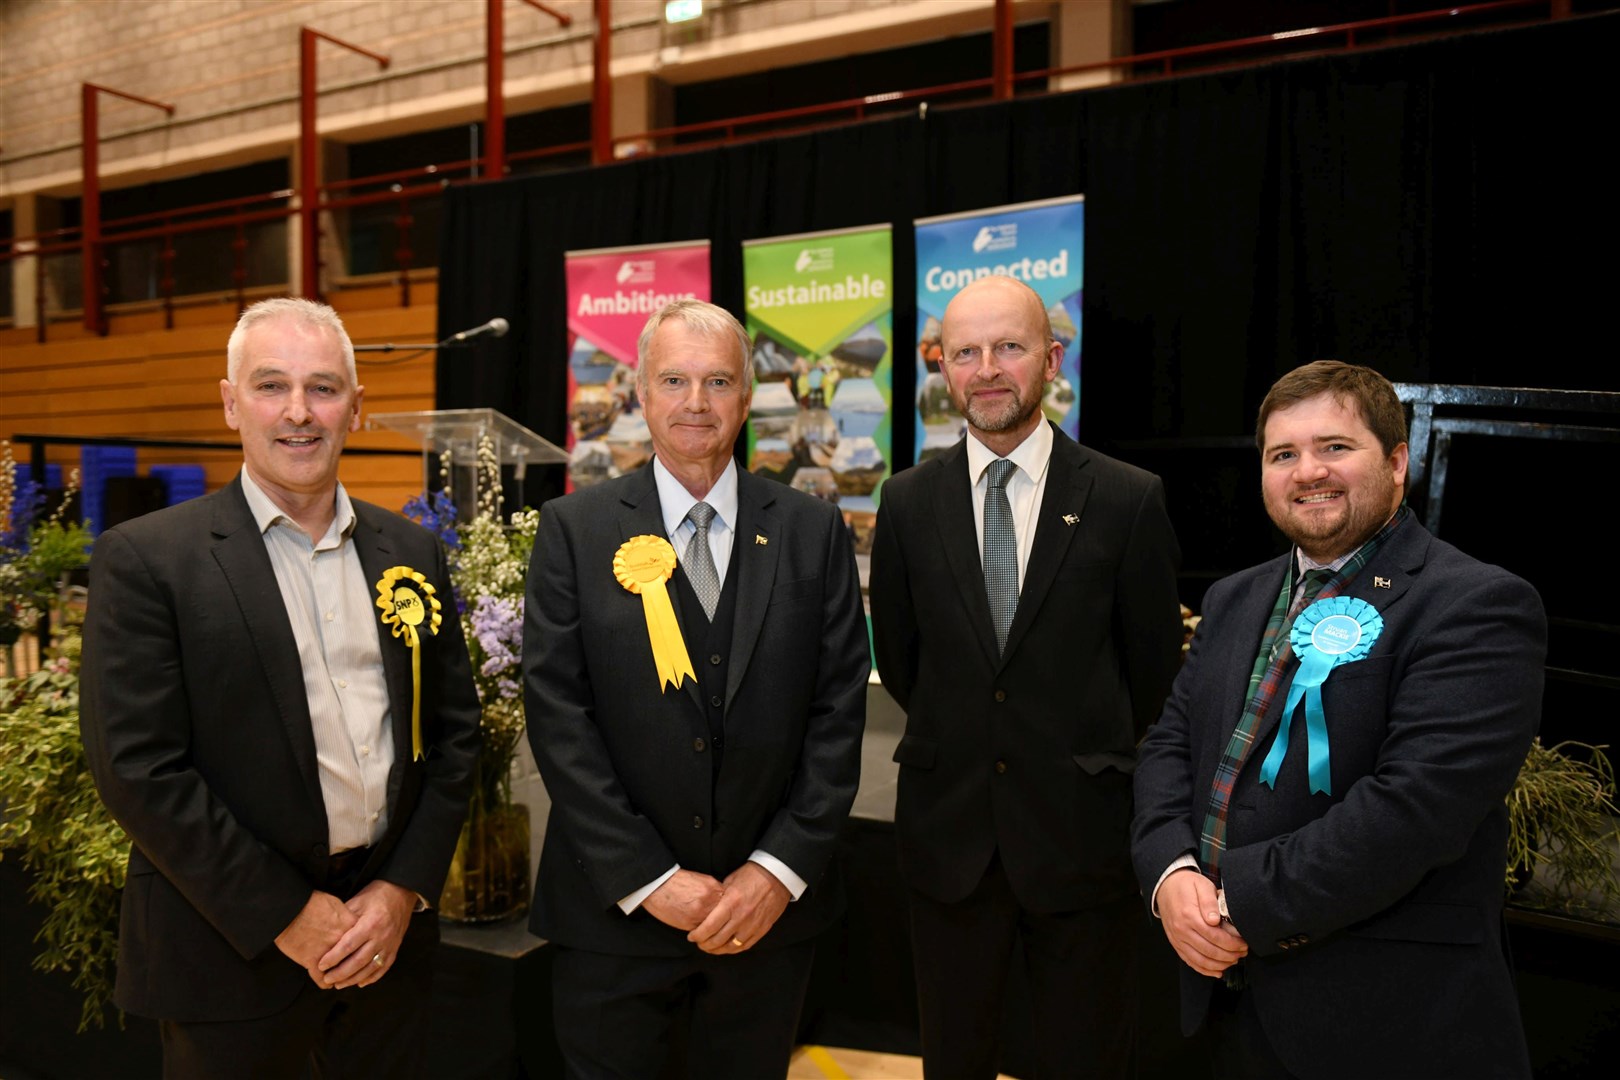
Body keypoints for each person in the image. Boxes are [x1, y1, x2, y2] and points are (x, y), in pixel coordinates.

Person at [79, 297, 482, 1079]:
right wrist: (286, 915)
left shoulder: (412, 552)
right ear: (232, 403)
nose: (299, 412)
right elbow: (139, 768)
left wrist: (402, 890)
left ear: (356, 409)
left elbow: (454, 734)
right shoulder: (149, 561)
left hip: (385, 943)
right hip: (228, 948)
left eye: (324, 388)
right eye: (271, 386)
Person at [1132, 360, 1545, 1079]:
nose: (1307, 471)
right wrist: (1170, 875)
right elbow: (1169, 743)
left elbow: (1415, 811)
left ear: (1397, 462)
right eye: (1282, 454)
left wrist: (1236, 905)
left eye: (1334, 447)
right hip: (1225, 1007)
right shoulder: (1234, 598)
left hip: (1387, 1023)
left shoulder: (1477, 605)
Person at [523, 298, 869, 1078]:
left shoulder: (813, 532)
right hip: (612, 917)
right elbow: (559, 719)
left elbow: (838, 713)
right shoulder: (572, 531)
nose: (695, 403)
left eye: (718, 382)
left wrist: (774, 872)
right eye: (673, 380)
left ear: (748, 398)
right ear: (639, 392)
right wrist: (649, 880)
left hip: (765, 924)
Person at [869, 275, 1184, 1079]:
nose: (986, 369)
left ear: (1052, 357)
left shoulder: (1126, 498)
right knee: (955, 1055)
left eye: (1008, 347)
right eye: (964, 352)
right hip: (949, 840)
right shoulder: (905, 503)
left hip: (1082, 837)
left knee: (1087, 1056)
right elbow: (904, 663)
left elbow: (1151, 670)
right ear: (941, 368)